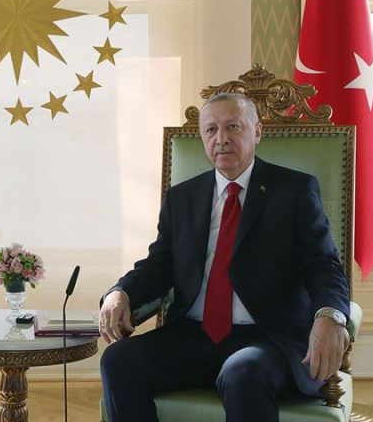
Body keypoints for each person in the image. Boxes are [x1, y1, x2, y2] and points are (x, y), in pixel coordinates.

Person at [98, 93, 350, 422]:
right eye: (211, 129)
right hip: (192, 336)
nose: (221, 139)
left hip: (265, 339)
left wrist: (330, 315)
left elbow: (323, 265)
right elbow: (159, 266)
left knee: (242, 371)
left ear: (257, 132)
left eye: (233, 126)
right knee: (118, 360)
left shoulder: (294, 190)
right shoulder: (182, 198)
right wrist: (121, 292)